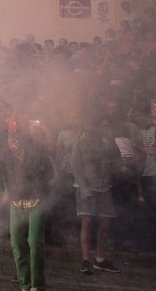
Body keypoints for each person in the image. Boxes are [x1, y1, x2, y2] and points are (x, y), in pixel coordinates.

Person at [2, 116, 54, 291]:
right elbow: (6, 176)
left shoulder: (38, 151)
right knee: (17, 243)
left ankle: (38, 285)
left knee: (34, 242)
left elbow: (47, 175)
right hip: (16, 204)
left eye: (16, 135)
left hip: (37, 201)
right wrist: (8, 191)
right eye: (10, 135)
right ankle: (25, 284)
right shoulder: (6, 155)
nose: (13, 140)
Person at [70, 117, 123, 274]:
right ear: (86, 125)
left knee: (105, 224)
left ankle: (100, 259)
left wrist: (112, 143)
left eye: (96, 123)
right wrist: (85, 189)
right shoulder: (79, 143)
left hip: (104, 188)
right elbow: (75, 167)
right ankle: (85, 260)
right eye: (90, 123)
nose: (93, 126)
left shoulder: (107, 144)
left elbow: (117, 165)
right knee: (86, 222)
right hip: (86, 188)